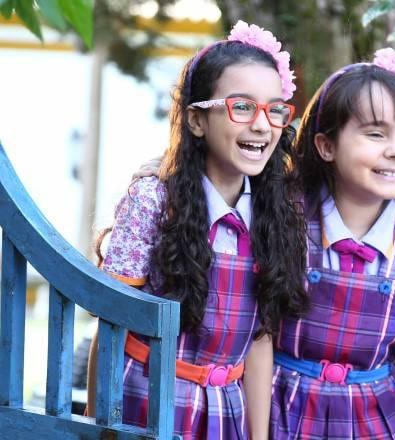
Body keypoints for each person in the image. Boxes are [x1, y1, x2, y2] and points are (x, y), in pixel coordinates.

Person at [87, 21, 308, 440]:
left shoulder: (278, 213)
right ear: (196, 120)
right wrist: (99, 425)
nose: (262, 125)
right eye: (241, 107)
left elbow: (260, 341)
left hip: (228, 412)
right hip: (145, 403)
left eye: (275, 109)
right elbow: (111, 324)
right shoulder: (154, 199)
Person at [270, 49, 395, 439]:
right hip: (280, 417)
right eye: (376, 134)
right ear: (326, 146)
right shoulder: (282, 225)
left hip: (376, 425)